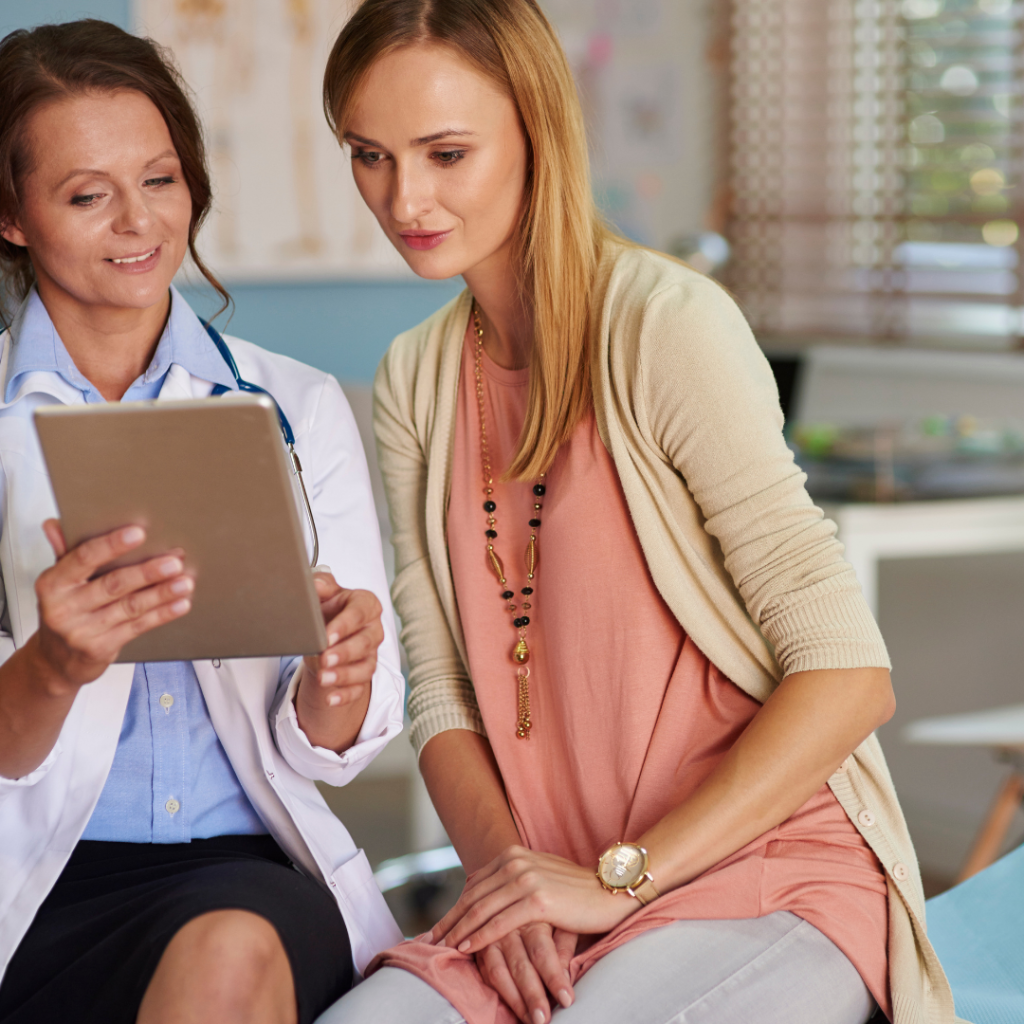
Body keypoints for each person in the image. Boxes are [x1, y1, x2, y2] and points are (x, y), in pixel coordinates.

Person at [315, 2, 957, 1023]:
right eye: (370, 156)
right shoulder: (416, 376)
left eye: (445, 152)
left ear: (536, 127)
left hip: (761, 869)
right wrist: (515, 888)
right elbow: (440, 687)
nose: (405, 198)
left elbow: (847, 672)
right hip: (548, 885)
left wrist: (621, 876)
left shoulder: (666, 324)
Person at [0, 19, 404, 1024]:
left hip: (249, 871)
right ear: (12, 216)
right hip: (33, 881)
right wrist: (53, 660)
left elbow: (335, 747)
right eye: (87, 195)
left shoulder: (298, 408)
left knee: (225, 954)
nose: (138, 224)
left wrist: (339, 676)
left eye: (161, 180)